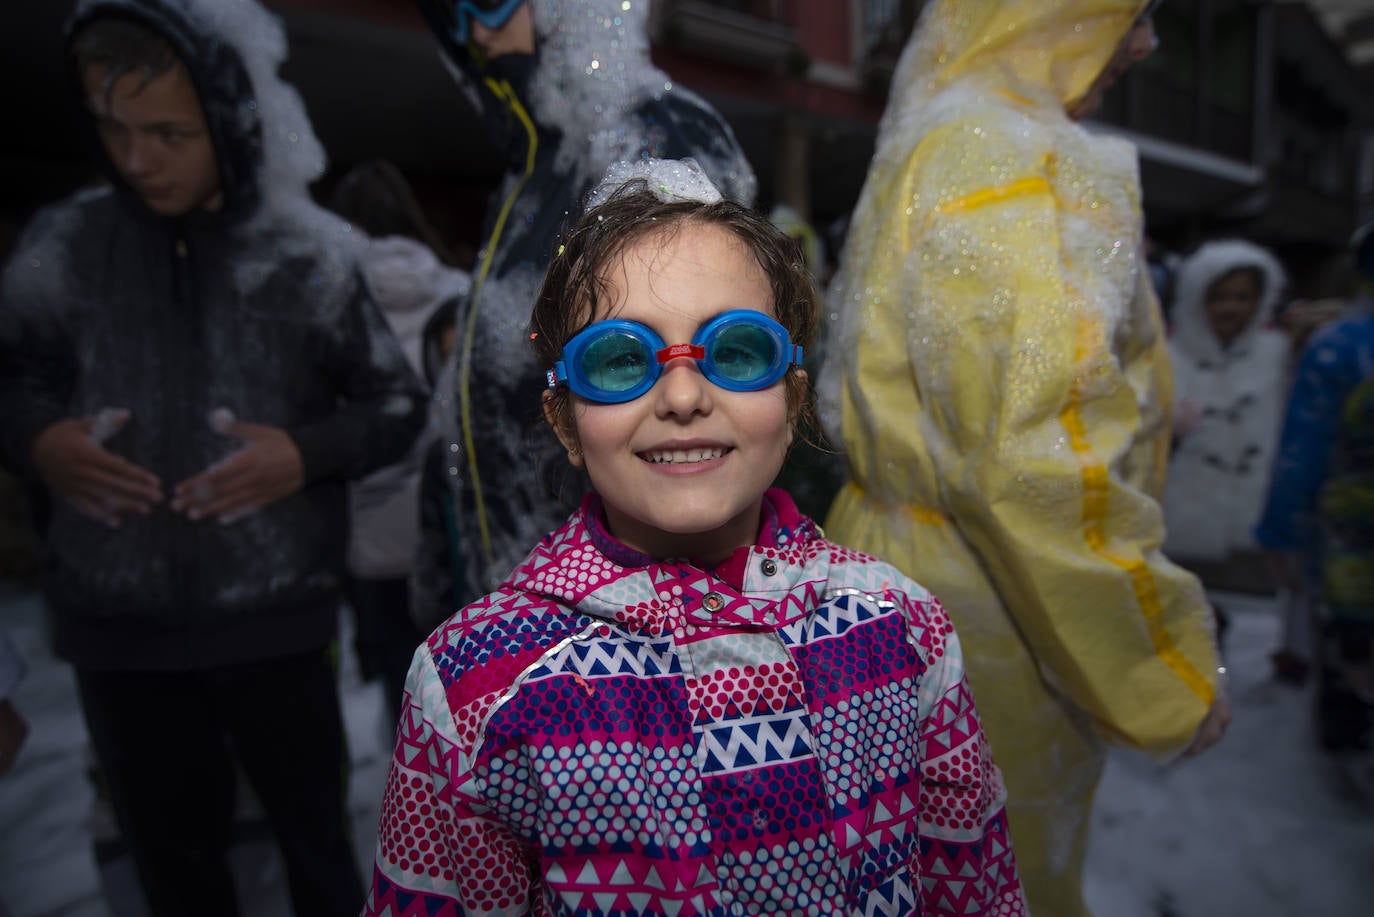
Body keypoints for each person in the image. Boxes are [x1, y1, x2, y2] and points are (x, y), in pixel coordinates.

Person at [364, 160, 1027, 916]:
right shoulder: (474, 686)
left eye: (738, 351)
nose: (683, 396)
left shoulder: (901, 627)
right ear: (565, 422)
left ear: (792, 396)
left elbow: (978, 890)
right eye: (620, 360)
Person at [0, 2, 427, 915]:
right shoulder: (63, 247)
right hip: (121, 642)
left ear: (231, 125)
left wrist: (304, 454)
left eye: (168, 133)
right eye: (112, 127)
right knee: (171, 871)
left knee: (319, 855)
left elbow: (395, 404)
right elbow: (12, 380)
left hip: (279, 625)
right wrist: (40, 441)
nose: (137, 157)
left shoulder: (304, 253)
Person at [817, 3, 1228, 915]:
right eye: (1133, 11)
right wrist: (1162, 670)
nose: (1145, 43)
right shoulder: (1022, 159)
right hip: (994, 611)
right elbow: (1034, 464)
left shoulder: (939, 136)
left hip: (895, 584)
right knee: (1001, 882)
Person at [409, 0, 757, 631]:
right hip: (522, 595)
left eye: (492, 2)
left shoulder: (654, 134)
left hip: (621, 611)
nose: (478, 33)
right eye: (452, 16)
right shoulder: (532, 171)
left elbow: (701, 369)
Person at [326, 159, 471, 724]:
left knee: (403, 693)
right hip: (451, 530)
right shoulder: (462, 293)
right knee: (465, 686)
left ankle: (415, 797)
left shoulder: (330, 301)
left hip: (371, 536)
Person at [1257, 220, 1374, 748]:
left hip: (1350, 553)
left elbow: (1302, 452)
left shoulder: (1341, 345)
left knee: (1349, 662)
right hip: (1351, 542)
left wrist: (1282, 535)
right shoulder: (1342, 347)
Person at [1161, 239, 1289, 570]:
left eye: (1242, 297)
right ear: (1193, 299)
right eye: (1217, 297)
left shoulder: (1279, 356)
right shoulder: (1165, 360)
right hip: (1179, 526)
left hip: (1254, 525)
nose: (1230, 308)